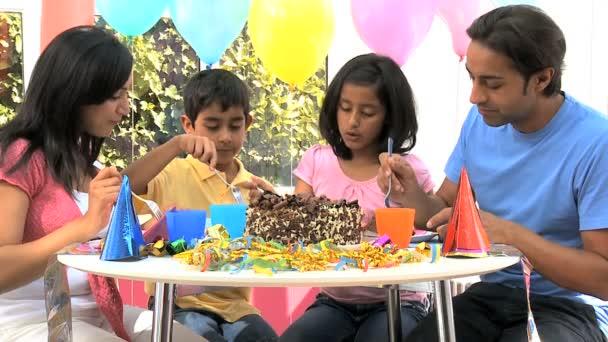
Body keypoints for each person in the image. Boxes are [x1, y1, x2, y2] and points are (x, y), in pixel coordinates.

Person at [378, 5, 608, 342]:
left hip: (568, 307)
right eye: (472, 77)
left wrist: (512, 236)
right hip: (489, 297)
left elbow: (602, 278)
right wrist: (409, 193)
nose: (475, 96)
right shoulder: (480, 123)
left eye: (492, 84)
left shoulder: (596, 142)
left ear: (542, 78)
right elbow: (443, 210)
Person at [0, 26, 203, 341]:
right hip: (30, 322)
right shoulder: (20, 157)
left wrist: (176, 145)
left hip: (99, 316)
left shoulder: (80, 160)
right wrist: (85, 226)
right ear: (76, 91)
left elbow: (121, 186)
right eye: (115, 96)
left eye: (126, 94)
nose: (124, 109)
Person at [279, 53, 434, 342]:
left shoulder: (406, 169)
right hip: (336, 300)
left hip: (400, 298)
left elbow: (433, 226)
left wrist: (401, 207)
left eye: (367, 113)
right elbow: (299, 228)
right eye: (345, 108)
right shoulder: (317, 161)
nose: (352, 122)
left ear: (390, 115)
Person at [124, 68, 278, 342]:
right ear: (188, 125)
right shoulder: (173, 172)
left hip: (237, 308)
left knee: (265, 338)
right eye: (213, 125)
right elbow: (126, 188)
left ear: (248, 124)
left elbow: (279, 251)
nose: (225, 137)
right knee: (202, 337)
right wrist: (175, 145)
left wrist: (273, 210)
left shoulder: (253, 188)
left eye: (234, 125)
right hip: (176, 305)